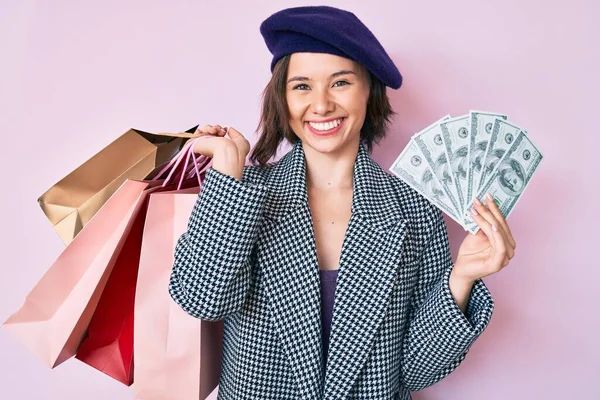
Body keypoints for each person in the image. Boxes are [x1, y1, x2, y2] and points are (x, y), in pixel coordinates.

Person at [169, 5, 516, 400]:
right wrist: (230, 169)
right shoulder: (240, 195)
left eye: (340, 83)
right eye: (301, 86)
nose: (320, 105)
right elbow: (201, 298)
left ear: (369, 91)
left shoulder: (414, 209)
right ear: (282, 98)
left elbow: (415, 371)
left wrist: (463, 278)